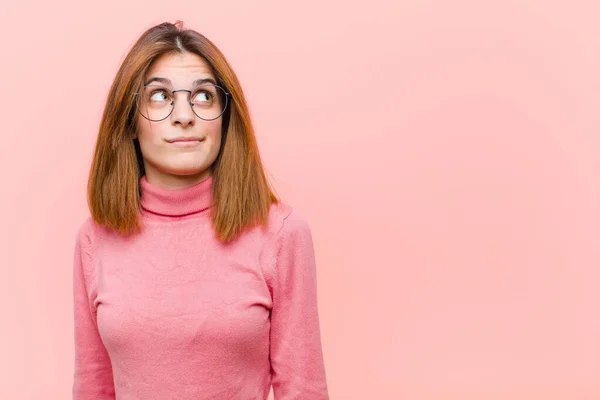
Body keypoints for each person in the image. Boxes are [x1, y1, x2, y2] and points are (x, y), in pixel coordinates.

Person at [72, 20, 329, 399]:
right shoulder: (94, 240)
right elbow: (92, 388)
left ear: (225, 119)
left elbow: (304, 389)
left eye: (204, 96)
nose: (184, 115)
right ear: (128, 121)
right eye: (159, 97)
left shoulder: (281, 233)